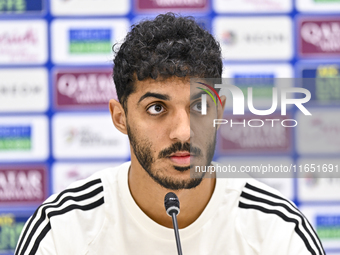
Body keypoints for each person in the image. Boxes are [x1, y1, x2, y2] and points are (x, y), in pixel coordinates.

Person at [15, 13, 325, 255]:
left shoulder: (277, 230)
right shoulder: (61, 229)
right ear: (120, 118)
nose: (183, 132)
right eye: (156, 108)